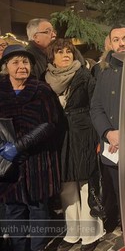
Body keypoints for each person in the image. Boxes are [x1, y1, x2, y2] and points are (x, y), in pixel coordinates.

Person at [0, 45, 62, 251]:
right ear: (6, 66)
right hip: (8, 163)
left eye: (25, 62)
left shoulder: (42, 90)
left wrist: (20, 145)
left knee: (38, 210)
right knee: (13, 210)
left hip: (38, 161)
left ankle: (38, 248)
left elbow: (51, 123)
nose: (21, 67)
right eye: (16, 62)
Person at [45, 39, 104, 251]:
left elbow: (96, 106)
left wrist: (98, 136)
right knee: (66, 186)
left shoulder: (84, 76)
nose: (65, 55)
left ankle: (91, 233)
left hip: (83, 133)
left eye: (69, 51)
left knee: (86, 183)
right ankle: (72, 231)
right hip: (60, 138)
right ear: (52, 57)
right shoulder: (46, 80)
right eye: (59, 52)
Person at [90, 25, 125, 251]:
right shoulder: (103, 71)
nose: (121, 43)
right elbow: (96, 107)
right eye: (116, 39)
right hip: (113, 147)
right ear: (110, 44)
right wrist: (108, 133)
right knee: (119, 192)